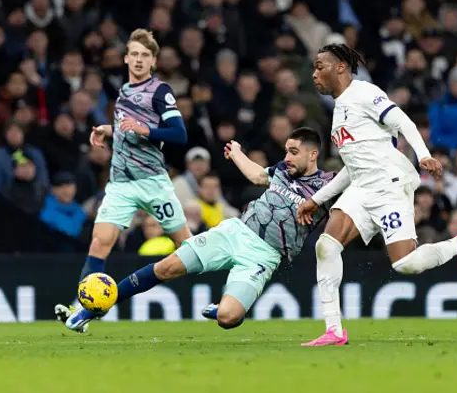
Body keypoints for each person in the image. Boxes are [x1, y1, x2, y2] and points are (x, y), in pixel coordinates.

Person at [297, 44, 457, 346]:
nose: (314, 74)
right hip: (362, 186)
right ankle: (334, 330)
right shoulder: (339, 112)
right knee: (326, 246)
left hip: (389, 183)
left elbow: (403, 121)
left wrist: (424, 155)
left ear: (340, 67)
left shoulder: (364, 92)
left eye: (319, 66)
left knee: (406, 264)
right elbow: (352, 168)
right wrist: (317, 199)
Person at [63, 128, 336, 332]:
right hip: (234, 233)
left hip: (264, 257)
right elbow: (256, 175)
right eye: (287, 150)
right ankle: (90, 311)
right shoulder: (282, 171)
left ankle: (224, 308)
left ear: (313, 154)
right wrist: (238, 154)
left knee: (228, 318)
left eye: (294, 152)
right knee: (166, 267)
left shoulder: (329, 187)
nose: (287, 157)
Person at [55, 29, 192, 324]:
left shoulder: (160, 91)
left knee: (189, 249)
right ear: (126, 58)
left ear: (153, 61)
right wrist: (110, 130)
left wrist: (145, 131)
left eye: (146, 56)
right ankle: (81, 310)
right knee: (99, 242)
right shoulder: (124, 91)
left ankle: (229, 287)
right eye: (135, 55)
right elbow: (130, 131)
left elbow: (179, 134)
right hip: (121, 183)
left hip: (153, 181)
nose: (140, 60)